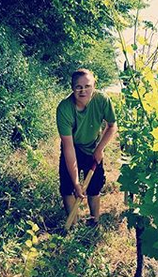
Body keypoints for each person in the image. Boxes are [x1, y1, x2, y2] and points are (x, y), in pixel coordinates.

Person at [56, 68, 118, 226]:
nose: (83, 90)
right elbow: (68, 147)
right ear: (72, 88)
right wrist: (76, 182)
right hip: (73, 147)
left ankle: (94, 221)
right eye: (78, 87)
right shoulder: (64, 109)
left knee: (94, 187)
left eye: (87, 86)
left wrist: (99, 149)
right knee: (67, 187)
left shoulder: (102, 100)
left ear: (94, 86)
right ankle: (73, 224)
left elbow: (112, 126)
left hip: (93, 147)